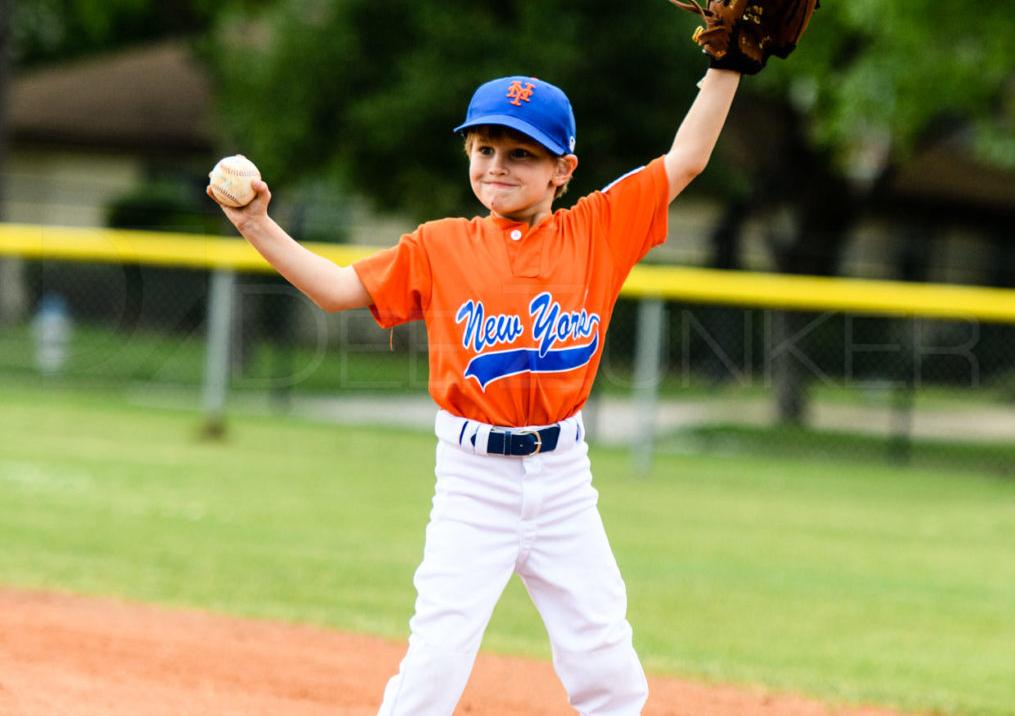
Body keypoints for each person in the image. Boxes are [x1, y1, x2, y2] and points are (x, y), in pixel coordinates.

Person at [209, 67, 740, 715]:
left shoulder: (597, 230)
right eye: (485, 148)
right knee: (435, 660)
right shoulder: (441, 244)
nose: (498, 165)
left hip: (563, 477)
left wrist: (725, 67)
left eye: (522, 153)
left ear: (562, 169)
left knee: (607, 660)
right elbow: (336, 288)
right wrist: (256, 224)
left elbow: (686, 159)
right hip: (473, 479)